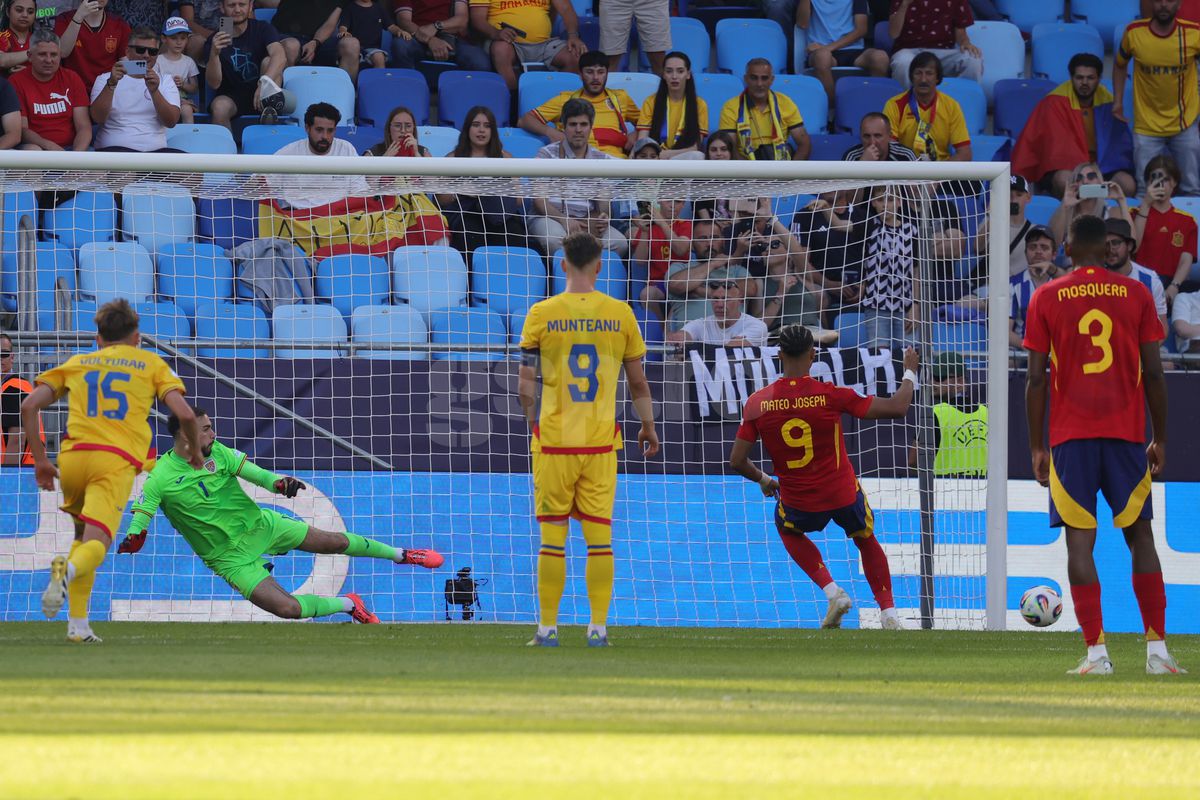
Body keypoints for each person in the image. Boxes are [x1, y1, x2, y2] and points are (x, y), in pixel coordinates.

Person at [1023, 214, 1182, 676]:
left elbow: (1036, 379)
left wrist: (1036, 446)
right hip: (1127, 435)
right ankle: (1157, 652)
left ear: (1069, 249)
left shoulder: (1046, 296)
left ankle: (1097, 655)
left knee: (1079, 543)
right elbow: (1155, 371)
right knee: (1140, 536)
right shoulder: (1135, 293)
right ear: (1106, 249)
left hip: (1071, 438)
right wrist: (1162, 437)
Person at [117, 407, 444, 623]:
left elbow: (258, 475)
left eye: (212, 427)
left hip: (262, 526)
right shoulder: (160, 476)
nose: (213, 434)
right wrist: (136, 534)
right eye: (205, 430)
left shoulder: (220, 453)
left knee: (331, 541)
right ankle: (349, 604)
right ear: (185, 435)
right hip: (229, 558)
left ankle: (403, 555)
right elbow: (143, 509)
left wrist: (278, 483)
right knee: (287, 608)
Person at [22, 298, 202, 644]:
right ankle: (65, 572)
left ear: (99, 337)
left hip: (72, 459)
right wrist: (193, 450)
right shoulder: (150, 363)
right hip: (113, 462)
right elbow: (188, 415)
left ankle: (78, 626)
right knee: (99, 544)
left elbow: (29, 405)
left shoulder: (79, 362)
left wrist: (42, 461)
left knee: (80, 537)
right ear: (137, 336)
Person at [518, 230, 660, 647]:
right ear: (600, 266)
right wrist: (649, 427)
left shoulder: (541, 313)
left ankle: (547, 629)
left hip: (555, 442)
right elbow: (638, 384)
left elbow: (526, 385)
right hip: (600, 443)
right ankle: (598, 628)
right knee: (599, 537)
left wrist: (535, 424)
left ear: (562, 264)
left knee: (552, 539)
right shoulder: (621, 313)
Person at [729, 325, 917, 630]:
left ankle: (833, 592)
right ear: (812, 354)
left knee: (787, 529)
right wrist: (910, 373)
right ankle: (889, 614)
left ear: (779, 355)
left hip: (799, 500)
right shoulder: (829, 394)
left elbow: (737, 460)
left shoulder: (758, 403)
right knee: (865, 538)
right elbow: (898, 407)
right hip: (842, 494)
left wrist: (765, 481)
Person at [1011, 53, 1136, 200]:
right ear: (1071, 78)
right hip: (1068, 169)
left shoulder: (1108, 102)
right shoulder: (1053, 103)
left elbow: (1117, 149)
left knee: (1127, 184)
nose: (1084, 82)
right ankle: (1084, 206)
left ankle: (1099, 211)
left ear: (1099, 79)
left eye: (1090, 78)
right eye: (1079, 78)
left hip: (1100, 168)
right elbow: (1038, 147)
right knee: (1064, 180)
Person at [1115, 1, 1200, 196]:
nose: (1163, 5)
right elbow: (1120, 64)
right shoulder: (1134, 33)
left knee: (1192, 190)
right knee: (1145, 190)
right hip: (1147, 126)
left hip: (1184, 123)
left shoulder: (1193, 33)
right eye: (1159, 0)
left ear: (1178, 5)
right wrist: (1118, 101)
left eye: (1169, 0)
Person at [530, 98, 628, 256]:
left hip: (585, 221)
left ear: (590, 127)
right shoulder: (545, 154)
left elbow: (604, 204)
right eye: (573, 124)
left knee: (619, 243)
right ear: (563, 126)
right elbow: (539, 202)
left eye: (583, 124)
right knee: (556, 239)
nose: (578, 130)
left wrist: (604, 217)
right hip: (551, 218)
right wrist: (565, 221)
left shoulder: (601, 159)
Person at [439, 105, 527, 253]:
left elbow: (518, 200)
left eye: (487, 126)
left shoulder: (506, 158)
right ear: (467, 129)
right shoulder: (453, 158)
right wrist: (460, 191)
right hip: (467, 215)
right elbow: (441, 199)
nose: (481, 130)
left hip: (499, 215)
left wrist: (494, 190)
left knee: (514, 231)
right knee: (470, 232)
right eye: (476, 125)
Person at [520, 50, 639, 158]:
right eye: (589, 72)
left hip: (614, 165)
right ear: (580, 75)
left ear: (607, 74)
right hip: (575, 163)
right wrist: (550, 132)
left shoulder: (621, 98)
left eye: (601, 72)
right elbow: (524, 120)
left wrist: (636, 133)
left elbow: (647, 122)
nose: (596, 78)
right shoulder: (565, 99)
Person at [89, 26, 181, 152]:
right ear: (127, 52)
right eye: (140, 50)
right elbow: (97, 118)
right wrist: (111, 84)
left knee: (194, 171)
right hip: (115, 152)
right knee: (127, 172)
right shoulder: (105, 79)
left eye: (153, 52)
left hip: (155, 154)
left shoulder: (165, 80)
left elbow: (171, 122)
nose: (146, 55)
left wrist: (155, 91)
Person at [469, 0, 585, 92]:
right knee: (501, 50)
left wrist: (573, 36)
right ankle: (515, 101)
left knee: (574, 55)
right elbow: (477, 19)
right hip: (507, 42)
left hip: (545, 43)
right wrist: (496, 33)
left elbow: (566, 9)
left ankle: (557, 101)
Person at [203, 0, 286, 129]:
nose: (237, 10)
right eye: (231, 5)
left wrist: (264, 82)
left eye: (242, 4)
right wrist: (214, 54)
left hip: (264, 89)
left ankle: (270, 110)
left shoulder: (262, 28)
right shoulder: (215, 40)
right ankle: (226, 149)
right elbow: (214, 83)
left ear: (250, 6)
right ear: (222, 8)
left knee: (268, 61)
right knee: (219, 107)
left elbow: (280, 55)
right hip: (233, 95)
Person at [854, 186, 918, 353]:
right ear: (873, 203)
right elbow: (840, 225)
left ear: (899, 202)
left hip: (905, 305)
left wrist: (916, 305)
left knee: (909, 355)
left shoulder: (912, 231)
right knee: (878, 356)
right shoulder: (869, 226)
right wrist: (825, 209)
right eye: (880, 200)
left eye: (889, 200)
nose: (885, 205)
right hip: (876, 304)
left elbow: (917, 272)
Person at [271, 101, 368, 209]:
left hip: (338, 219)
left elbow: (360, 191)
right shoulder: (288, 153)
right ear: (307, 128)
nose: (325, 136)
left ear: (335, 130)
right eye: (319, 130)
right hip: (295, 219)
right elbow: (260, 182)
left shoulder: (346, 150)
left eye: (330, 131)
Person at [909, 351, 987, 477]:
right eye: (932, 377)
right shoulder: (987, 413)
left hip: (944, 492)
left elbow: (913, 462)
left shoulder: (935, 413)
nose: (932, 383)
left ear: (960, 381)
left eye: (940, 378)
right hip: (982, 491)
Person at [1131, 155, 1198, 302]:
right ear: (1147, 183)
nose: (1159, 184)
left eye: (1165, 179)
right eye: (1153, 178)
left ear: (1174, 182)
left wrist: (1174, 286)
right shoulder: (1133, 213)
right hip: (1140, 282)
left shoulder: (1187, 220)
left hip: (1171, 284)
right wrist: (1146, 205)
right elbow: (1133, 247)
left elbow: (1186, 259)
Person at [883, 51, 971, 162]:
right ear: (911, 77)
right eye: (918, 73)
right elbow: (890, 149)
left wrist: (939, 174)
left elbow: (965, 154)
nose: (923, 79)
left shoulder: (951, 106)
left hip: (941, 171)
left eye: (929, 73)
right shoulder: (894, 105)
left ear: (937, 78)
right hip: (905, 171)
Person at [10, 28, 90, 151]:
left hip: (71, 149)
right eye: (42, 54)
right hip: (39, 148)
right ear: (30, 56)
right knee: (32, 150)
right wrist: (49, 146)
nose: (48, 60)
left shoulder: (72, 78)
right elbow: (22, 129)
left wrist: (76, 158)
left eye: (54, 55)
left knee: (97, 168)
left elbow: (83, 126)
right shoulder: (16, 81)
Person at [718, 57, 811, 161]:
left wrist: (791, 172)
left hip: (781, 168)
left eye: (764, 78)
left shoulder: (785, 103)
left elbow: (804, 144)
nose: (759, 84)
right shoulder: (730, 107)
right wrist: (751, 173)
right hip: (745, 169)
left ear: (772, 80)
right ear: (746, 79)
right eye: (754, 78)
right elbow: (730, 149)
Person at [797, 0, 889, 102]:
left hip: (854, 50)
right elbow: (802, 24)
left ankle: (874, 107)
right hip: (822, 53)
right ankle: (832, 110)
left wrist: (828, 47)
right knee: (822, 58)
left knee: (880, 58)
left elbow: (861, 30)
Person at [888, 0, 982, 88]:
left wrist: (965, 42)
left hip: (943, 52)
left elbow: (961, 33)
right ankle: (906, 103)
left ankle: (963, 102)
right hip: (910, 51)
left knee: (973, 59)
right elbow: (893, 33)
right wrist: (904, 5)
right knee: (902, 62)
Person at [1049, 161, 1133, 256]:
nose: (1085, 182)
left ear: (1100, 182)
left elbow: (1132, 245)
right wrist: (1064, 206)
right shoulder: (1065, 212)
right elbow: (1053, 247)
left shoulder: (1112, 212)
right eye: (1079, 178)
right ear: (1074, 184)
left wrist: (1121, 201)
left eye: (1091, 176)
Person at [630, 193, 691, 319]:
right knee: (646, 294)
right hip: (659, 283)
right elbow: (640, 261)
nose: (672, 205)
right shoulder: (648, 226)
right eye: (668, 199)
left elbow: (681, 250)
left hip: (682, 281)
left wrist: (662, 223)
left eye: (678, 201)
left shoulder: (685, 224)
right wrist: (645, 232)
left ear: (684, 204)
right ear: (659, 200)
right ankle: (661, 334)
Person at [635, 51, 706, 159]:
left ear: (688, 75)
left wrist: (668, 154)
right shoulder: (650, 101)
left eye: (680, 71)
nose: (674, 76)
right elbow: (642, 140)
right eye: (669, 71)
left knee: (698, 156)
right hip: (655, 158)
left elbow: (695, 146)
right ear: (663, 74)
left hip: (682, 157)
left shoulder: (699, 104)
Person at [1105, 218, 1169, 338]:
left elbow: (1162, 330)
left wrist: (1138, 355)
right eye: (1105, 245)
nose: (1110, 250)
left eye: (1115, 243)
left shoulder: (1149, 280)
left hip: (1139, 350)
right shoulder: (1093, 278)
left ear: (1129, 246)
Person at [666, 274, 768, 347]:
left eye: (726, 299)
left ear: (740, 300)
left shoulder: (757, 326)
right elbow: (683, 335)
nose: (719, 305)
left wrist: (693, 351)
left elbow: (730, 350)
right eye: (715, 299)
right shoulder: (702, 324)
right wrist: (676, 339)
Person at [392, 0, 491, 72]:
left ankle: (467, 99)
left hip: (454, 39)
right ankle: (407, 93)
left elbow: (461, 21)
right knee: (400, 45)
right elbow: (404, 21)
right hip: (419, 38)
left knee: (480, 62)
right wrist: (430, 40)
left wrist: (436, 27)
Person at [54, 0, 129, 88]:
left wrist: (144, 68)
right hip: (74, 87)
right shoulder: (64, 19)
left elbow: (126, 63)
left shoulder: (119, 24)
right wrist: (78, 17)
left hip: (107, 88)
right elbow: (62, 52)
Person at [271, 0, 359, 75]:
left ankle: (346, 91)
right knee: (291, 45)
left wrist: (315, 42)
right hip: (287, 36)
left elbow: (330, 24)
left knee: (351, 45)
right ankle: (286, 90)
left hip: (319, 41)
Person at [1008, 227, 1061, 348]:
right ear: (1025, 252)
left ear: (1054, 255)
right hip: (1023, 353)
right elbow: (1005, 331)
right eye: (1033, 247)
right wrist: (1033, 351)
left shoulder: (1062, 284)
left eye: (1044, 247)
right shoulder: (1012, 284)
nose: (1038, 251)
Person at [0, 334, 44, 466]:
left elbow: (17, 441)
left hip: (20, 473)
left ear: (12, 357)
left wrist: (6, 479)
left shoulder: (14, 387)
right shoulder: (7, 387)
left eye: (4, 354)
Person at [600, 0, 669, 74]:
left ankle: (664, 85)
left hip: (653, 2)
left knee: (657, 53)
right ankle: (607, 85)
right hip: (614, 2)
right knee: (610, 56)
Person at [155, 16, 198, 124]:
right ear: (164, 39)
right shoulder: (158, 60)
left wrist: (183, 84)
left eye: (183, 38)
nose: (179, 42)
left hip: (182, 100)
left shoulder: (189, 62)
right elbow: (152, 82)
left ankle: (189, 136)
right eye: (174, 38)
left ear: (187, 39)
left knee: (187, 110)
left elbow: (194, 88)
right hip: (162, 99)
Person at [336, 0, 394, 78]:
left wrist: (399, 31)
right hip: (355, 47)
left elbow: (390, 26)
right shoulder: (350, 7)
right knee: (351, 52)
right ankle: (350, 86)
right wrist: (343, 31)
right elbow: (343, 25)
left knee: (379, 57)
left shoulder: (378, 8)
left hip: (373, 48)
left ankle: (377, 84)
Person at [842, 112, 916, 161]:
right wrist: (862, 165)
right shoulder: (852, 156)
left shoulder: (905, 155)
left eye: (878, 136)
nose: (872, 142)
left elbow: (921, 184)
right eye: (867, 136)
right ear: (860, 136)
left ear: (889, 136)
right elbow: (843, 184)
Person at [363, 105, 431, 157]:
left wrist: (416, 154)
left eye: (408, 126)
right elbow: (362, 175)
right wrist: (385, 159)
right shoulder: (373, 153)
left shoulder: (423, 152)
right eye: (397, 126)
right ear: (389, 129)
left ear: (413, 129)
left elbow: (433, 175)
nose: (403, 130)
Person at [0, 0, 37, 73]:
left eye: (30, 12)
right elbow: (1, 61)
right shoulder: (2, 36)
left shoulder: (41, 38)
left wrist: (29, 71)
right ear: (8, 12)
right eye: (19, 10)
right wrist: (37, 51)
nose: (25, 15)